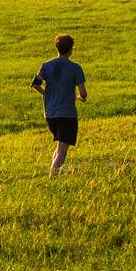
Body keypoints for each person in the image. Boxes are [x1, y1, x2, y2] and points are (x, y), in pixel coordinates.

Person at [31, 33, 88, 175]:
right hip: (67, 114)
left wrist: (47, 93)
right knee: (62, 150)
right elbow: (83, 92)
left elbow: (35, 84)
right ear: (71, 49)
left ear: (57, 48)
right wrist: (81, 97)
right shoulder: (75, 68)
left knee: (59, 147)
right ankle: (53, 176)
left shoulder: (46, 66)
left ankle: (54, 172)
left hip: (50, 114)